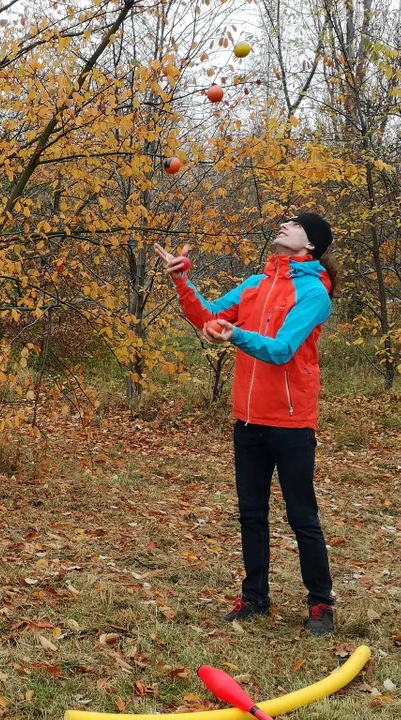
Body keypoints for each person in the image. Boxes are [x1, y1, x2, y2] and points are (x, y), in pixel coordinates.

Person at [155, 213, 341, 635]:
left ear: (310, 245)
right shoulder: (257, 284)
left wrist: (234, 336)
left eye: (294, 225)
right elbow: (208, 316)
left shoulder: (314, 292)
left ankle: (320, 604)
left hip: (292, 425)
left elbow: (281, 350)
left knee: (302, 517)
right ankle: (255, 598)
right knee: (251, 515)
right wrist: (182, 281)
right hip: (248, 421)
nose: (284, 225)